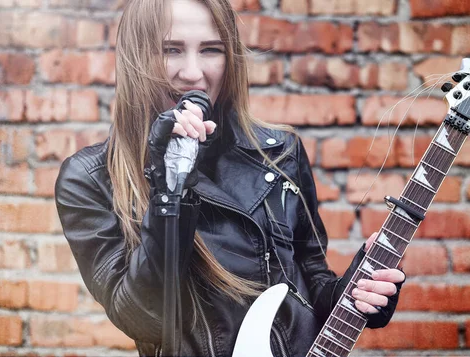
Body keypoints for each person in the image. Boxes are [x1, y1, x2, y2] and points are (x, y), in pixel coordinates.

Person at [54, 0, 406, 356]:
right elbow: (142, 318)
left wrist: (358, 294)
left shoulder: (281, 151)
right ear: (135, 58)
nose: (192, 73)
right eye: (171, 50)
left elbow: (310, 280)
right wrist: (169, 188)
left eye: (211, 50)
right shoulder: (90, 178)